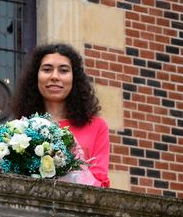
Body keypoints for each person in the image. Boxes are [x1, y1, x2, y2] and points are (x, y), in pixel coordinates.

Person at [11, 43, 110, 188]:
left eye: (63, 70)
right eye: (47, 69)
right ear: (36, 77)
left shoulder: (97, 127)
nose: (54, 77)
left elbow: (100, 184)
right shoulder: (22, 128)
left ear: (74, 78)